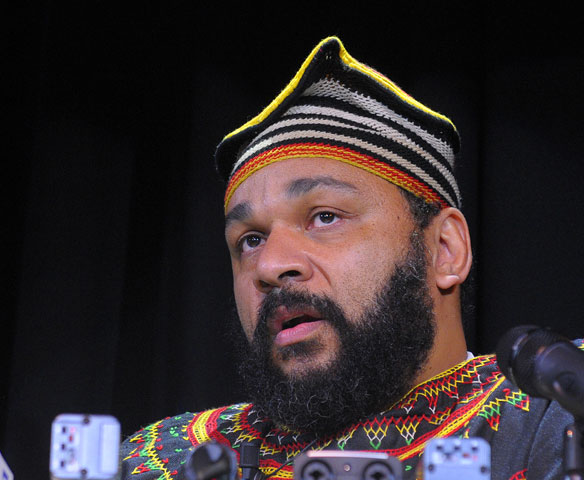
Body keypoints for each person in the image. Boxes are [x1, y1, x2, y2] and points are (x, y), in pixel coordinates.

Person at [120, 37, 578, 480]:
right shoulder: (162, 460)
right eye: (251, 240)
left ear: (445, 250)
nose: (270, 266)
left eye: (325, 217)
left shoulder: (561, 409)